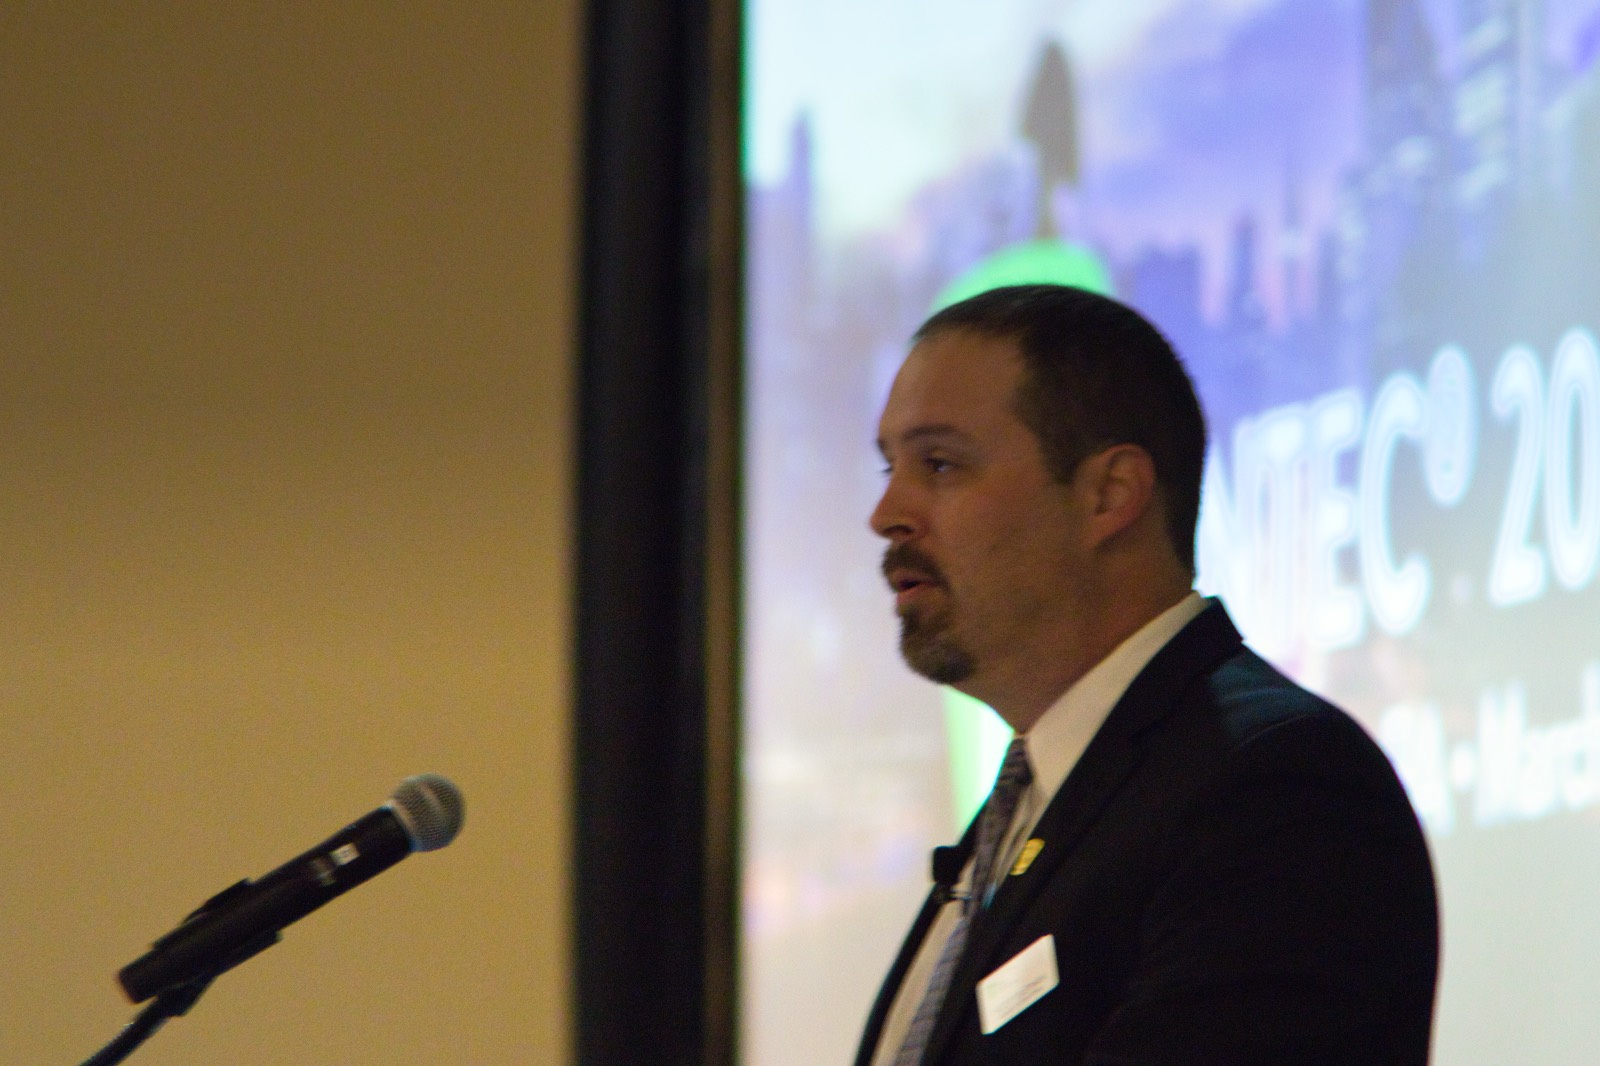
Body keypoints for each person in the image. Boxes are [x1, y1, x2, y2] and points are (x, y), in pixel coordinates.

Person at [855, 284, 1438, 1066]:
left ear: (1110, 494)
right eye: (889, 466)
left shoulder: (1277, 788)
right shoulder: (1035, 805)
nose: (887, 512)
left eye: (940, 464)